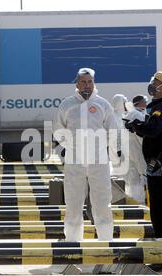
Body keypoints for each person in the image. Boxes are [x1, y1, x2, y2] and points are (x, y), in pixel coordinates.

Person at [53, 67, 119, 242]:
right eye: (83, 82)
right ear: (77, 83)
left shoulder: (103, 105)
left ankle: (106, 241)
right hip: (75, 160)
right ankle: (73, 242)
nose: (87, 85)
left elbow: (113, 131)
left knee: (102, 202)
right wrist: (74, 148)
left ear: (94, 83)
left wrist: (101, 149)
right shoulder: (67, 104)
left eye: (90, 82)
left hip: (99, 160)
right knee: (73, 202)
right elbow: (58, 131)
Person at [127, 71, 162, 241]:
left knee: (160, 208)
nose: (152, 85)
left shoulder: (161, 107)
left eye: (156, 82)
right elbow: (157, 131)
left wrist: (137, 126)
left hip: (161, 163)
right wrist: (138, 127)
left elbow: (154, 130)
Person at [121, 95, 148, 204]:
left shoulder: (128, 114)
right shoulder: (138, 115)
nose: (146, 104)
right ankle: (143, 201)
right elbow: (142, 135)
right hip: (138, 150)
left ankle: (134, 201)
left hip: (128, 151)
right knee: (144, 175)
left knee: (133, 178)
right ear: (140, 103)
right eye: (144, 102)